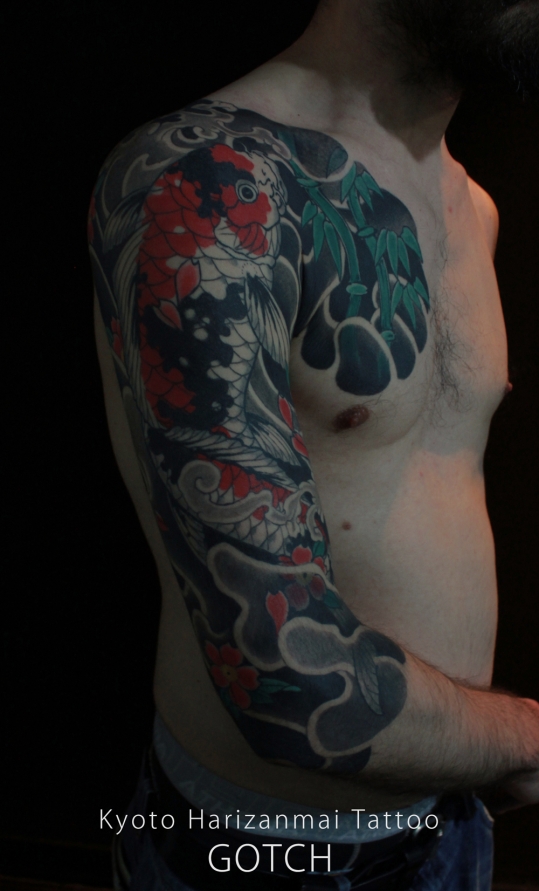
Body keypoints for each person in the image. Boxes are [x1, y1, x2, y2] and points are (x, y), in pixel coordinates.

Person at [88, 1, 539, 888]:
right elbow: (285, 677)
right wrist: (522, 738)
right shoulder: (206, 180)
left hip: (449, 815)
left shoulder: (469, 203)